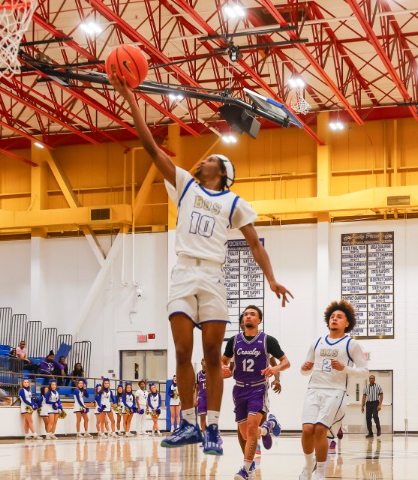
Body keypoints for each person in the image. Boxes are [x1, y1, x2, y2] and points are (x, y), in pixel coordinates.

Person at [108, 73, 292, 455]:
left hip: (211, 275)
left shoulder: (233, 202)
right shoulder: (185, 185)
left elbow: (254, 243)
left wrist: (272, 279)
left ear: (221, 172)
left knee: (210, 355)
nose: (201, 160)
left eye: (208, 158)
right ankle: (190, 423)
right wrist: (130, 99)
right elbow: (150, 147)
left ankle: (212, 429)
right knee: (180, 350)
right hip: (182, 272)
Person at [299, 300, 369, 480]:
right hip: (314, 389)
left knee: (320, 430)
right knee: (307, 430)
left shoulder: (351, 344)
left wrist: (344, 368)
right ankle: (308, 466)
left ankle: (321, 472)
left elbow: (364, 372)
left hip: (335, 391)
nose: (334, 319)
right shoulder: (317, 342)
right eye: (332, 316)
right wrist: (305, 368)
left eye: (339, 317)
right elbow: (305, 371)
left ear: (347, 323)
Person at [222, 305, 289, 480]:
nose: (248, 316)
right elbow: (223, 362)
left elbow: (285, 362)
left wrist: (275, 371)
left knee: (251, 428)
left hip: (258, 388)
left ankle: (245, 469)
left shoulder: (267, 340)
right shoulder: (234, 341)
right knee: (246, 434)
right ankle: (268, 427)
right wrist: (223, 370)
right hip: (239, 389)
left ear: (259, 320)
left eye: (252, 314)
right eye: (246, 314)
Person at [194, 359, 208, 432]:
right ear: (201, 362)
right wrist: (195, 399)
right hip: (201, 398)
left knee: (212, 418)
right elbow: (196, 389)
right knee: (202, 418)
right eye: (203, 360)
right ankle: (204, 434)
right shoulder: (198, 375)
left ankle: (212, 433)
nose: (204, 361)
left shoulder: (211, 373)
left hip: (210, 398)